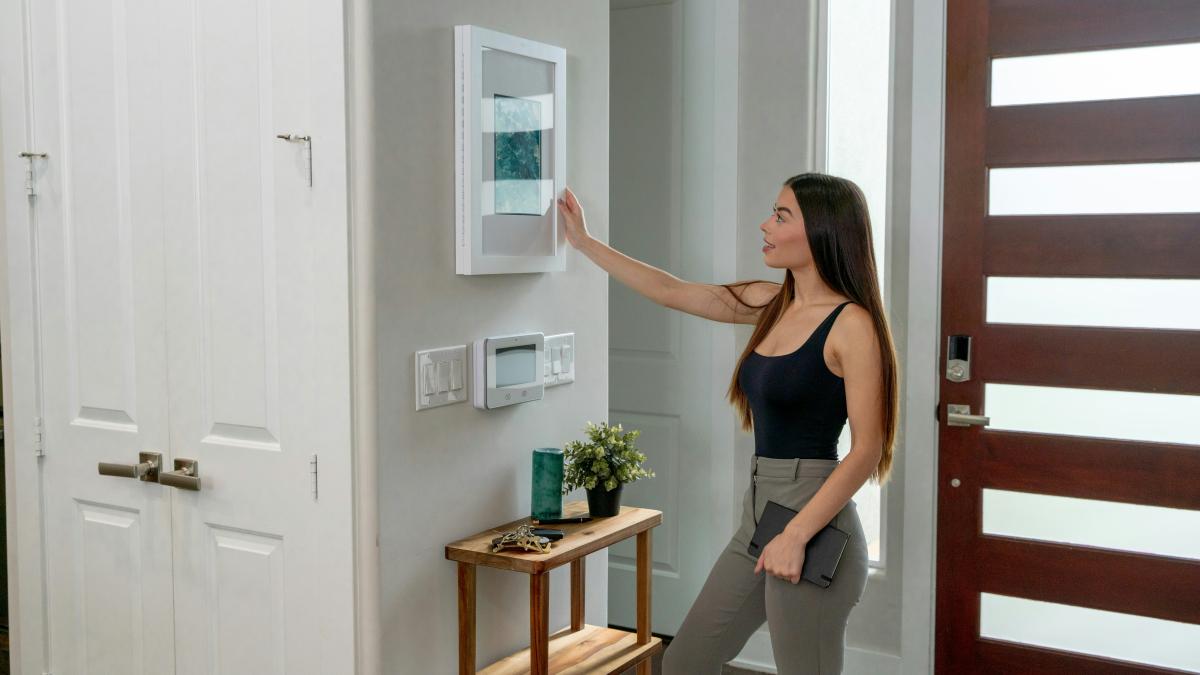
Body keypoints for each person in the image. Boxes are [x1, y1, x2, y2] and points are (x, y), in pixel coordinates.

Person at [555, 173, 899, 674]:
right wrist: (584, 243)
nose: (765, 224)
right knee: (684, 664)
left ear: (822, 231)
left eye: (781, 216)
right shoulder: (771, 303)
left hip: (814, 520)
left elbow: (867, 449)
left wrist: (798, 535)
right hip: (760, 516)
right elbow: (672, 291)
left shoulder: (853, 325)